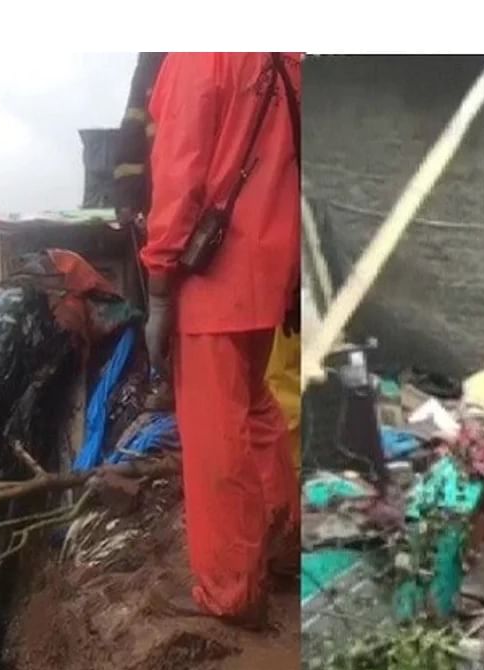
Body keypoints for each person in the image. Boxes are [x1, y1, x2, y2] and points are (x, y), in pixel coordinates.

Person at [139, 52, 301, 626]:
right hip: (270, 271)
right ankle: (282, 546)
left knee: (215, 433)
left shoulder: (201, 54)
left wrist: (158, 282)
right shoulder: (285, 55)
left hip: (213, 281)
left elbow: (180, 174)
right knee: (256, 409)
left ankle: (230, 591)